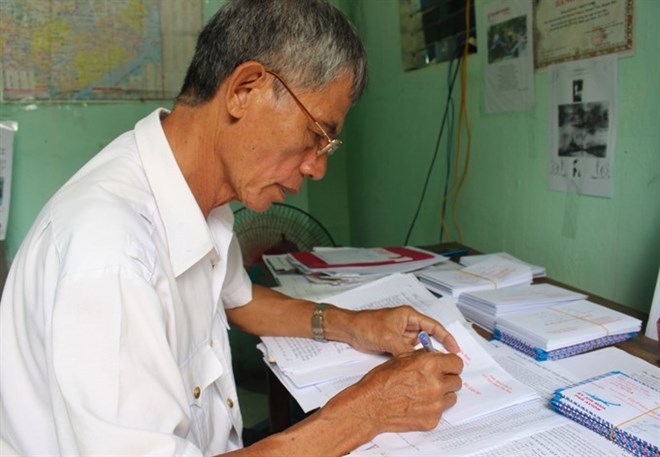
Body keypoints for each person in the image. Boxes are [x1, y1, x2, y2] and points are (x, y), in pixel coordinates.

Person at [0, 1, 464, 455]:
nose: (318, 168)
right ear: (245, 89)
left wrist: (357, 325)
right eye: (316, 136)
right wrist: (367, 413)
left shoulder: (200, 191)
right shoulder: (109, 254)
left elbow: (240, 301)